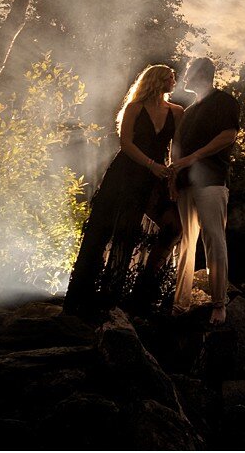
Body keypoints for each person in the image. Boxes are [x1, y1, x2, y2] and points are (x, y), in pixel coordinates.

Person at [65, 63, 183, 316]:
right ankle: (99, 298)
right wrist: (151, 165)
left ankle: (144, 293)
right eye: (170, 77)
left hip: (157, 176)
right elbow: (126, 143)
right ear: (157, 80)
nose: (174, 81)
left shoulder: (177, 111)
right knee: (112, 229)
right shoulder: (134, 108)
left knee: (172, 226)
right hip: (126, 174)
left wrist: (171, 176)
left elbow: (176, 149)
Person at [169, 56, 241, 322]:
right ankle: (180, 304)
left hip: (212, 182)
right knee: (186, 243)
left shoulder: (224, 101)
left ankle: (219, 304)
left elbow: (228, 136)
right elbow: (176, 149)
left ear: (201, 74)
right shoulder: (188, 112)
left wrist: (193, 158)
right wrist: (173, 178)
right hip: (185, 185)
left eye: (188, 72)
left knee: (213, 239)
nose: (184, 77)